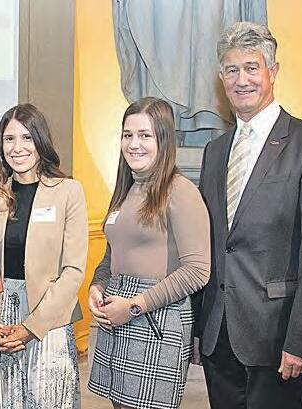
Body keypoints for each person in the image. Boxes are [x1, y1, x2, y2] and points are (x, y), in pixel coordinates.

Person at [195, 22, 302, 409]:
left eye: (251, 67)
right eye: (231, 70)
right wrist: (197, 327)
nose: (241, 79)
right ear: (221, 77)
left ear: (272, 71)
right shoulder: (215, 151)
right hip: (218, 334)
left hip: (277, 337)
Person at [87, 97, 211, 409]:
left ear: (164, 140)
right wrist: (97, 286)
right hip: (118, 315)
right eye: (127, 135)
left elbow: (198, 271)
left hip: (156, 319)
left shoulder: (181, 191)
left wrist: (133, 306)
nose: (134, 144)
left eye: (145, 135)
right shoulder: (126, 189)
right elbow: (111, 254)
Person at [0, 103, 87, 409]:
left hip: (49, 318)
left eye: (26, 137)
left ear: (40, 140)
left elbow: (73, 271)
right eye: (9, 139)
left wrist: (31, 327)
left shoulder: (68, 192)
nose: (17, 147)